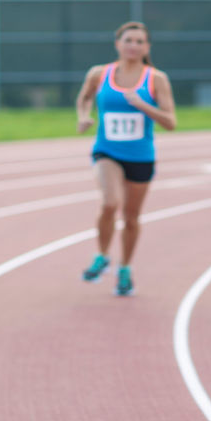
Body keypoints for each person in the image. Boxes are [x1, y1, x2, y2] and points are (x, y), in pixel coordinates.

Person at [75, 21, 176, 297]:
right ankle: (102, 255)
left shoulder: (156, 79)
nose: (133, 46)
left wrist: (143, 105)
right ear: (117, 44)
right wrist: (84, 116)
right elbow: (84, 98)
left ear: (147, 47)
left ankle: (125, 267)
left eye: (139, 41)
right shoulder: (99, 74)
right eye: (128, 40)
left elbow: (171, 122)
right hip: (107, 151)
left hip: (141, 157)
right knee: (110, 204)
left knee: (131, 218)